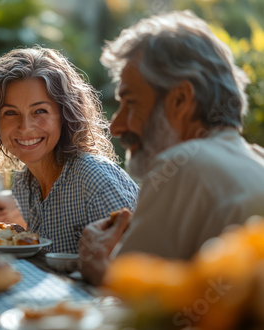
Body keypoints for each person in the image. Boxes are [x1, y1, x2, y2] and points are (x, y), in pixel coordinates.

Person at [79, 10, 264, 286]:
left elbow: (137, 311)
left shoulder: (183, 165)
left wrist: (98, 265)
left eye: (130, 102)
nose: (115, 127)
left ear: (180, 100)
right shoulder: (257, 158)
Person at [0, 46, 139, 254]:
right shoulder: (23, 182)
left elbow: (133, 265)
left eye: (40, 111)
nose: (25, 127)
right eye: (11, 113)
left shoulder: (94, 179)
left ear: (65, 114)